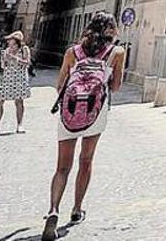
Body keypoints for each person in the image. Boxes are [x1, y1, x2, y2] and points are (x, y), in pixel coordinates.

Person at [43, 13, 125, 241]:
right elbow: (116, 87)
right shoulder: (116, 52)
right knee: (86, 161)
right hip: (95, 112)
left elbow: (60, 84)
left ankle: (53, 210)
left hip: (69, 110)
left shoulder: (73, 52)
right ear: (111, 29)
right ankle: (77, 209)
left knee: (62, 167)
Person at [0, 31, 31, 134]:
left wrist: (14, 58)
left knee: (19, 102)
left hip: (19, 79)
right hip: (7, 79)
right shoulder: (6, 51)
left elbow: (27, 63)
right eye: (9, 41)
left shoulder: (24, 50)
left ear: (17, 42)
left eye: (11, 41)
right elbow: (3, 66)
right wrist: (4, 59)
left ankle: (20, 125)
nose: (9, 43)